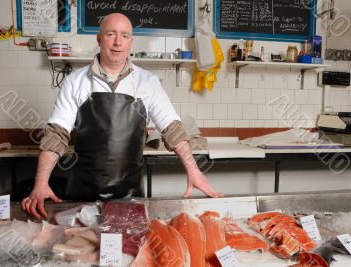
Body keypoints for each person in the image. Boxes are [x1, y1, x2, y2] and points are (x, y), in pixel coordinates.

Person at [22, 13, 222, 219]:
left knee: (127, 248)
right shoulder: (75, 81)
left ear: (131, 42)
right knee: (80, 247)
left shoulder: (147, 82)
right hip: (81, 193)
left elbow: (172, 129)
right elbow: (56, 135)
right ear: (99, 39)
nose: (118, 42)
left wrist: (194, 170)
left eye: (125, 36)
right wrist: (41, 182)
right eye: (111, 34)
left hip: (130, 194)